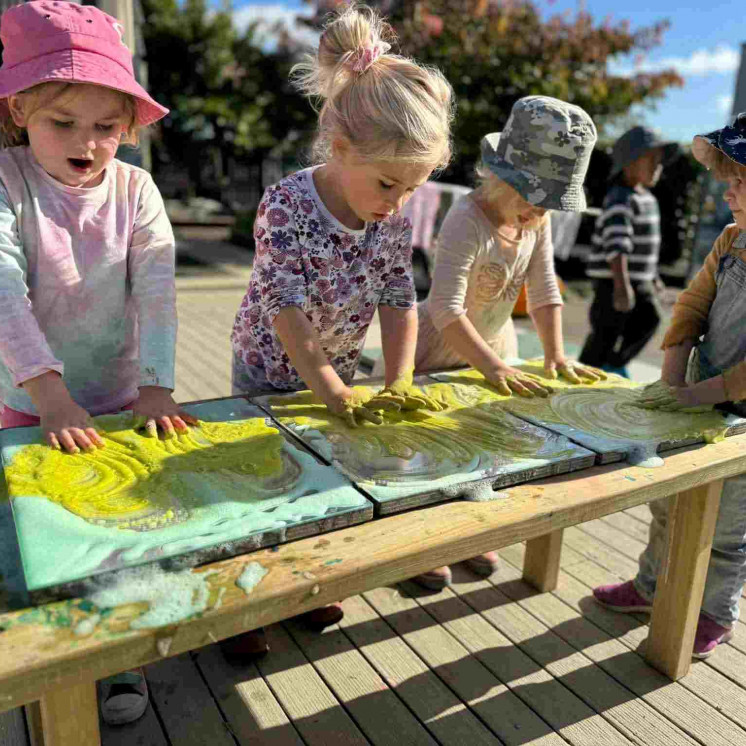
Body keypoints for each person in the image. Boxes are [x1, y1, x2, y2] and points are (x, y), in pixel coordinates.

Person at [229, 4, 453, 657]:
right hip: (271, 369)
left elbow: (396, 293)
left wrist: (402, 375)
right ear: (342, 147)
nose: (397, 202)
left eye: (413, 189)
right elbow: (283, 304)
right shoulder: (288, 204)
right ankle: (249, 603)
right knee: (262, 483)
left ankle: (309, 581)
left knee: (324, 474)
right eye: (389, 183)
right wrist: (326, 386)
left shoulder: (387, 217)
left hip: (341, 373)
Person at [0, 1, 195, 724]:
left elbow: (159, 288)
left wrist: (157, 386)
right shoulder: (7, 182)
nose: (88, 143)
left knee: (123, 533)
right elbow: (2, 291)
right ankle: (52, 664)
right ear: (20, 109)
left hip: (118, 397)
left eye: (107, 127)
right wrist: (48, 393)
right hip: (26, 399)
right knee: (43, 537)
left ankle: (119, 661)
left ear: (130, 124)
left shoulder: (136, 189)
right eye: (64, 122)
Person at [410, 95, 606, 590]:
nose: (539, 211)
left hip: (497, 347)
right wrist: (492, 368)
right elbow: (444, 309)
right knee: (433, 448)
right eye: (532, 197)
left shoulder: (535, 225)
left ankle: (471, 532)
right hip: (441, 350)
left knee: (485, 444)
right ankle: (426, 542)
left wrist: (558, 355)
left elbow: (544, 293)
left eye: (548, 203)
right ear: (499, 176)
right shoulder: (465, 217)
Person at [593, 113, 746, 658]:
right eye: (728, 178)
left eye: (740, 181)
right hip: (698, 395)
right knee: (669, 505)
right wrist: (672, 381)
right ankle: (650, 586)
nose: (728, 190)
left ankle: (713, 612)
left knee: (728, 527)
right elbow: (691, 306)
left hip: (741, 419)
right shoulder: (731, 241)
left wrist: (689, 397)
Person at [579, 126, 678, 377]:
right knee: (606, 330)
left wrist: (653, 276)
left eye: (660, 161)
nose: (659, 166)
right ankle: (583, 371)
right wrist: (621, 287)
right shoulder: (620, 198)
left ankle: (614, 363)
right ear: (629, 164)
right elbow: (617, 244)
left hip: (640, 279)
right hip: (614, 280)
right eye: (652, 160)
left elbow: (646, 247)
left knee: (650, 319)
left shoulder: (647, 198)